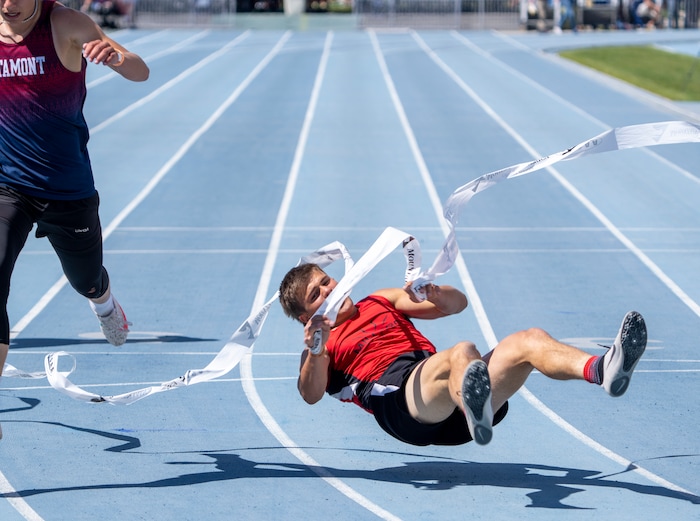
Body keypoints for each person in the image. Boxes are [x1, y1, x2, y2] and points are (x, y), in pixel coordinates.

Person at [279, 263, 647, 446]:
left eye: (326, 280)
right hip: (400, 402)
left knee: (528, 340)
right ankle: (474, 403)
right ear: (304, 317)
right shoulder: (318, 349)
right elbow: (310, 394)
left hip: (449, 394)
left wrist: (436, 294)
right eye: (316, 294)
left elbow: (456, 305)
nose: (329, 290)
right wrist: (318, 346)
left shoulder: (380, 299)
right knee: (462, 353)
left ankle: (602, 369)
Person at [0, 0, 149, 383]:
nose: (8, 4)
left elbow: (140, 70)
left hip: (66, 187)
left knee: (85, 279)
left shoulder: (65, 22)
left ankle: (103, 302)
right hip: (9, 185)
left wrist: (114, 58)